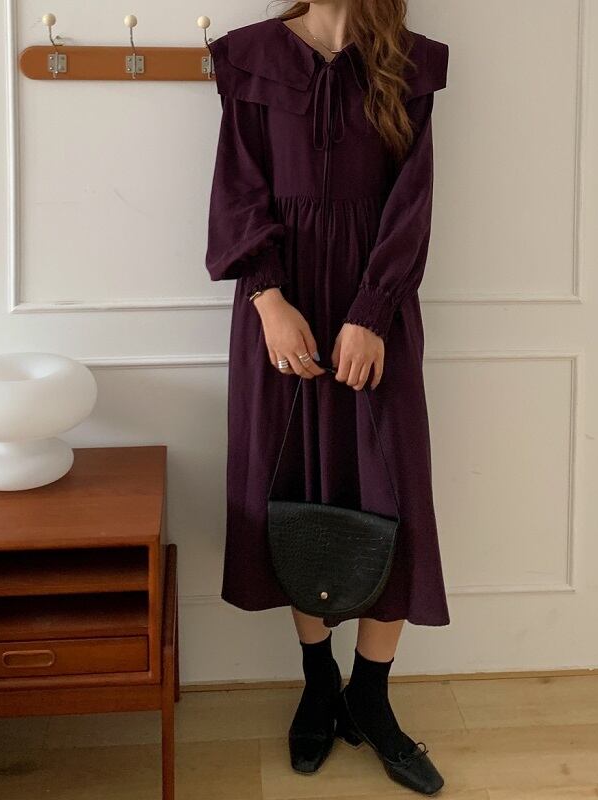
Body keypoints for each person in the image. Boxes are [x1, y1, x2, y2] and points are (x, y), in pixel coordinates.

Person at [205, 0, 450, 794]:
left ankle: (371, 698)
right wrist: (269, 299)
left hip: (377, 316)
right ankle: (319, 682)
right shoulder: (249, 56)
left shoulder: (409, 63)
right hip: (280, 312)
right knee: (296, 492)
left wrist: (372, 313)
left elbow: (412, 203)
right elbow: (237, 187)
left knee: (393, 496)